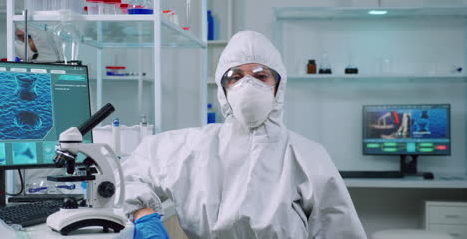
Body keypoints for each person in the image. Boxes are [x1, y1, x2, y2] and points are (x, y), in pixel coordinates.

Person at [122, 30, 367, 238]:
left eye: (261, 76)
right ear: (223, 88)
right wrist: (144, 216)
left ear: (278, 87)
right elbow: (122, 177)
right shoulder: (191, 147)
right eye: (235, 77)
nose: (247, 86)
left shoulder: (307, 156)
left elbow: (339, 229)